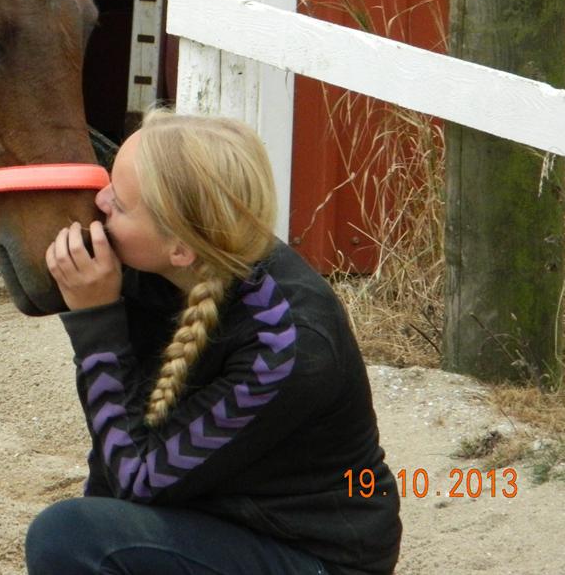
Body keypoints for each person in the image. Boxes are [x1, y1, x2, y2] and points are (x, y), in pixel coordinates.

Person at [29, 110, 401, 575]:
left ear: (180, 247)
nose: (99, 200)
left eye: (120, 204)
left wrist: (95, 320)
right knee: (95, 527)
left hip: (313, 556)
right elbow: (119, 454)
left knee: (70, 537)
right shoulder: (171, 268)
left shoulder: (287, 345)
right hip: (214, 515)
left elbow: (137, 477)